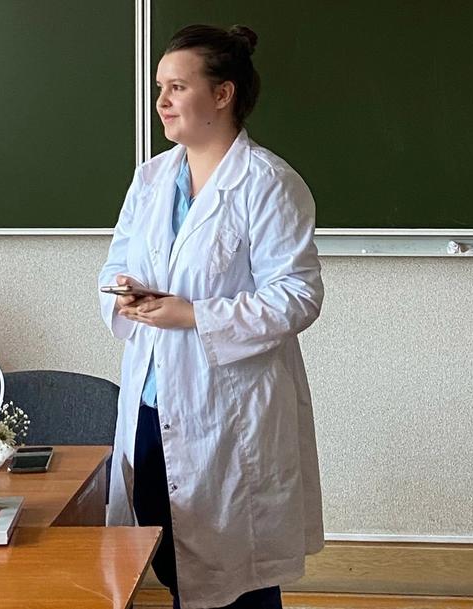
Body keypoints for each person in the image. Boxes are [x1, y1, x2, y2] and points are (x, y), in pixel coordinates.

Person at [98, 24, 325, 609]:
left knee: (235, 576)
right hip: (151, 405)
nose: (161, 102)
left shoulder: (268, 183)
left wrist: (194, 315)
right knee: (174, 563)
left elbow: (297, 296)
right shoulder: (151, 179)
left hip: (227, 413)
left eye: (177, 87)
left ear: (222, 95)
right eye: (160, 88)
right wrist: (123, 294)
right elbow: (117, 262)